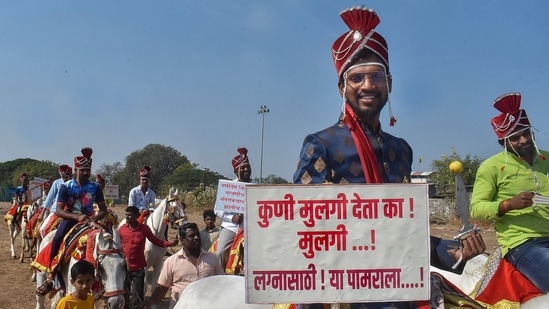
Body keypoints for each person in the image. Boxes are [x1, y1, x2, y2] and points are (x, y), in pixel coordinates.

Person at [293, 6, 486, 308]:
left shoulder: (401, 150)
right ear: (342, 87)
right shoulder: (321, 144)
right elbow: (302, 224)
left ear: (390, 84)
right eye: (356, 78)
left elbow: (403, 231)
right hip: (340, 287)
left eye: (376, 76)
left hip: (398, 278)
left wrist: (457, 251)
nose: (367, 85)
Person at [470, 92, 549, 293]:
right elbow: (476, 209)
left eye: (526, 133)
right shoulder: (491, 167)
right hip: (524, 243)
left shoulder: (546, 158)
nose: (523, 140)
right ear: (502, 143)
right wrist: (508, 205)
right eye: (515, 138)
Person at [34, 147, 108, 296]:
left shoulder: (95, 187)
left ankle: (116, 282)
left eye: (88, 170)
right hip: (70, 220)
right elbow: (59, 210)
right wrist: (76, 217)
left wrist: (95, 218)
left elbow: (103, 210)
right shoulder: (66, 186)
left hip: (89, 221)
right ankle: (51, 277)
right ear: (76, 169)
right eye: (83, 170)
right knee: (57, 239)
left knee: (109, 241)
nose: (86, 173)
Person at [142, 222, 224, 309]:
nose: (196, 238)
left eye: (197, 235)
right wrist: (149, 301)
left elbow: (222, 282)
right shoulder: (171, 261)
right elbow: (162, 288)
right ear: (182, 240)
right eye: (192, 236)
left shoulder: (212, 258)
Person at [118, 206, 179, 309]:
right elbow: (117, 245)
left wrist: (169, 243)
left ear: (136, 216)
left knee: (138, 297)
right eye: (126, 215)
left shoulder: (144, 229)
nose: (127, 217)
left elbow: (155, 241)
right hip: (124, 268)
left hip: (138, 269)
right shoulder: (122, 229)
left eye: (129, 215)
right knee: (124, 295)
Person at [214, 147, 251, 269]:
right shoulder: (228, 187)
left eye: (248, 167)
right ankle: (217, 278)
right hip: (231, 227)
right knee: (219, 252)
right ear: (236, 171)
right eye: (243, 168)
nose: (246, 170)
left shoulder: (256, 186)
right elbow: (217, 210)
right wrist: (232, 218)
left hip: (250, 228)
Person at [38, 164, 73, 238]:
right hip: (56, 211)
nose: (62, 173)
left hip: (71, 212)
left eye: (65, 172)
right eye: (61, 171)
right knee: (43, 230)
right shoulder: (57, 183)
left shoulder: (74, 184)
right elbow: (50, 198)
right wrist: (42, 213)